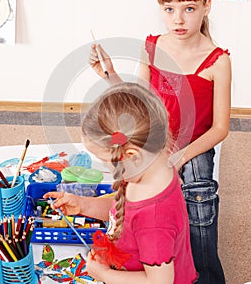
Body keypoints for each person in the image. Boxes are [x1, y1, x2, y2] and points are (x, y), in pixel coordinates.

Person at [88, 0, 231, 284]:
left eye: (189, 8)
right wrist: (110, 75)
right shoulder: (151, 46)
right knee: (132, 186)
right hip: (155, 140)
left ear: (207, 7)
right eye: (169, 9)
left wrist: (178, 158)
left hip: (194, 147)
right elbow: (141, 105)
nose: (178, 19)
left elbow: (220, 128)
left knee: (198, 212)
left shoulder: (218, 60)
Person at [44, 82, 198, 284]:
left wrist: (104, 275)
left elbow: (159, 281)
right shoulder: (150, 171)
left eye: (107, 161)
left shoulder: (153, 219)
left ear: (131, 154)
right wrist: (84, 205)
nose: (107, 169)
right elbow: (124, 212)